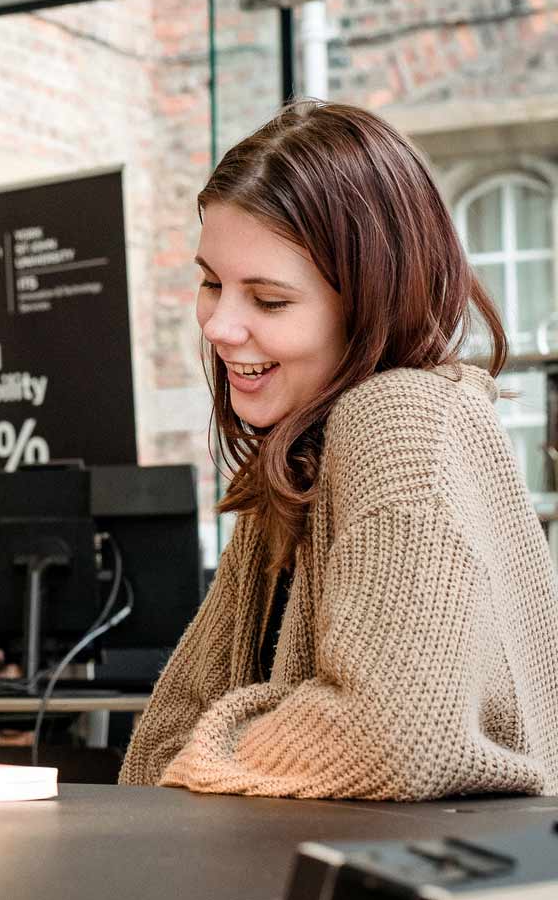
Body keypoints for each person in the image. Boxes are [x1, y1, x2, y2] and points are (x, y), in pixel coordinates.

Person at [119, 100, 558, 800]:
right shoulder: (297, 462)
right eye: (211, 283)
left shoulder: (400, 417)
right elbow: (157, 751)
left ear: (368, 303)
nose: (221, 326)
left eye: (268, 300)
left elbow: (399, 735)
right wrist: (279, 727)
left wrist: (228, 743)